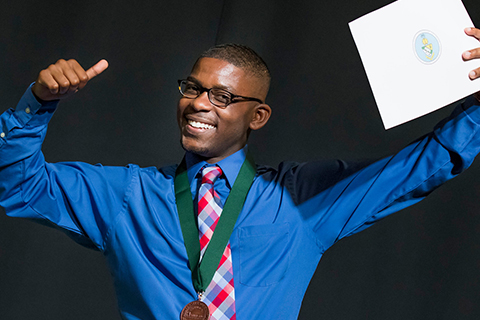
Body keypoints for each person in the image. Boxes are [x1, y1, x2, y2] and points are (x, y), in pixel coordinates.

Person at [1, 27, 480, 320]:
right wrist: (38, 104)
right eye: (193, 87)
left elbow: (422, 165)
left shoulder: (303, 200)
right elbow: (18, 184)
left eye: (223, 97)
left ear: (259, 117)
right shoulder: (126, 197)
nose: (199, 104)